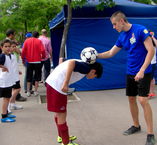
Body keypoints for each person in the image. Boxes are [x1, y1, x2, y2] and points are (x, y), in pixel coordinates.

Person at [97, 11, 155, 145]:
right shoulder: (122, 37)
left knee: (143, 100)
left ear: (122, 21)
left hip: (144, 72)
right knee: (131, 98)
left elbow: (151, 50)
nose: (114, 27)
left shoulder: (140, 30)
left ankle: (150, 134)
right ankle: (136, 125)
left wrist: (141, 70)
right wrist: (96, 55)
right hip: (130, 72)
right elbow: (111, 53)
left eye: (114, 24)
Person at [46, 59, 103, 145]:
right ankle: (66, 142)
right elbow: (71, 63)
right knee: (62, 114)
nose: (92, 78)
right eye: (94, 76)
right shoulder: (86, 68)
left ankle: (61, 137)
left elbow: (64, 60)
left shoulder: (84, 64)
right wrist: (65, 83)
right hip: (57, 86)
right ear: (93, 71)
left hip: (53, 83)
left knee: (59, 113)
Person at [21, 31, 45, 97]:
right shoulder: (39, 41)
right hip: (37, 61)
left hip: (29, 61)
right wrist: (43, 57)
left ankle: (28, 91)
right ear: (37, 36)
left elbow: (23, 51)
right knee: (37, 77)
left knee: (29, 77)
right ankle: (35, 91)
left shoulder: (26, 41)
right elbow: (43, 50)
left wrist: (23, 59)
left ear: (32, 35)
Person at [0, 39, 16, 123]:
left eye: (9, 46)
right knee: (6, 99)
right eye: (5, 46)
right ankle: (3, 116)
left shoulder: (8, 55)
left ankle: (6, 112)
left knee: (7, 97)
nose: (8, 48)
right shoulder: (2, 56)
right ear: (1, 47)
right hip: (4, 81)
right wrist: (3, 67)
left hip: (8, 80)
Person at [8, 41, 24, 111]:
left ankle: (12, 104)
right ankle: (9, 103)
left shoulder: (13, 54)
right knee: (17, 89)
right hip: (12, 76)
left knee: (15, 89)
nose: (14, 48)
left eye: (15, 47)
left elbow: (14, 65)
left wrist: (18, 71)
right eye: (13, 47)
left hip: (15, 74)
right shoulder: (9, 55)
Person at [148, 30, 157, 99]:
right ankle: (149, 92)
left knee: (151, 78)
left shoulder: (154, 42)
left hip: (152, 63)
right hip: (145, 62)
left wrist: (152, 36)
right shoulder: (145, 42)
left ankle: (151, 93)